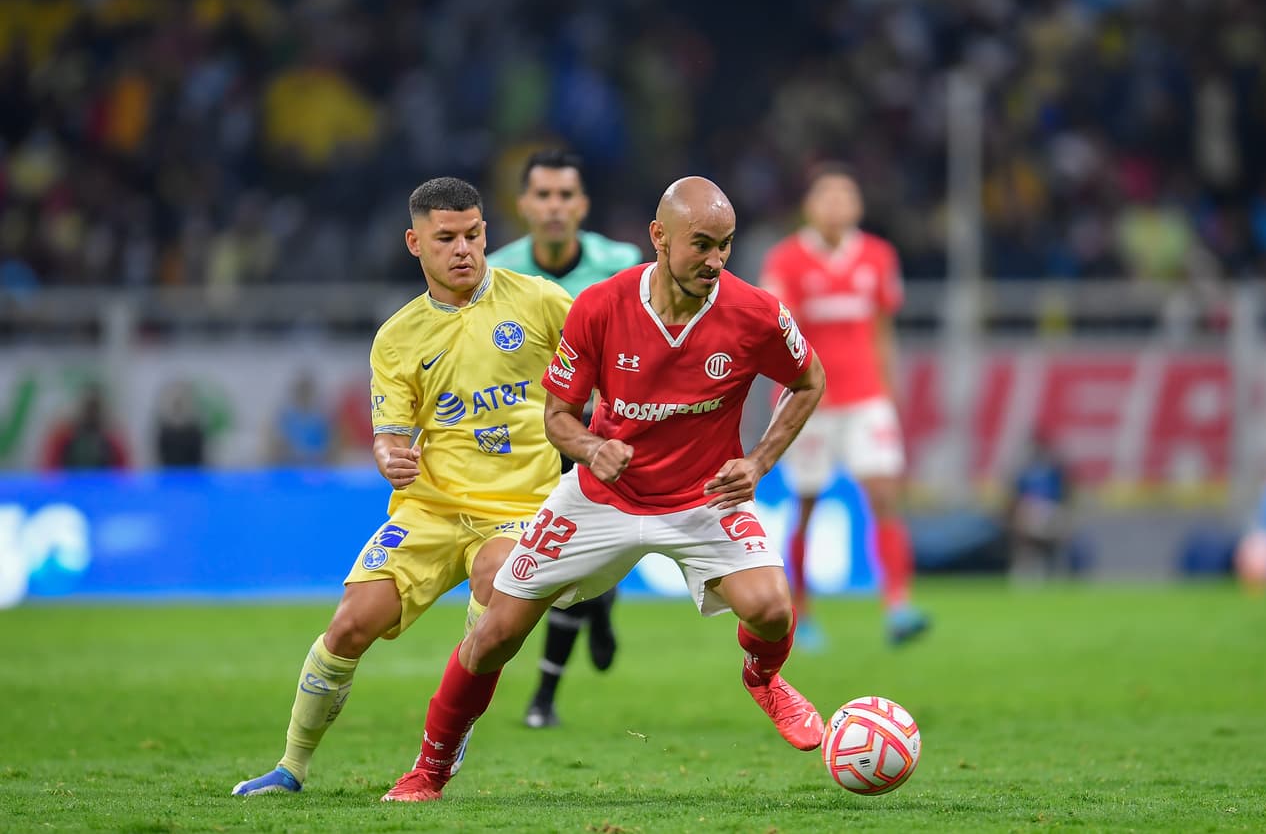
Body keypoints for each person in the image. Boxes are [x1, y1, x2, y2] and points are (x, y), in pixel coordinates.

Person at [380, 176, 828, 803]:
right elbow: (557, 417)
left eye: (725, 245)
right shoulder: (600, 306)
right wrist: (592, 448)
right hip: (600, 497)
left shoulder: (755, 313)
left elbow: (809, 381)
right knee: (494, 635)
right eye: (701, 244)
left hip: (702, 497)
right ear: (659, 236)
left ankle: (764, 678)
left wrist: (757, 464)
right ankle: (429, 770)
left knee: (773, 608)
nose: (716, 261)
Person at [231, 176, 573, 796]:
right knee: (349, 626)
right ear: (415, 243)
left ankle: (447, 738)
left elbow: (601, 370)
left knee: (494, 583)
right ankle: (291, 767)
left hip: (520, 508)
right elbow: (390, 435)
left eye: (473, 234)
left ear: (486, 233)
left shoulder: (542, 301)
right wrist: (390, 458)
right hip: (430, 510)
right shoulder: (397, 336)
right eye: (446, 238)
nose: (463, 248)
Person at [488, 148, 643, 729]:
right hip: (532, 434)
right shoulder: (497, 272)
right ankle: (600, 610)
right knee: (562, 561)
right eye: (543, 195)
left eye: (565, 196)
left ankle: (543, 699)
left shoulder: (621, 263)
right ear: (524, 205)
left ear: (582, 205)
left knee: (574, 555)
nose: (554, 206)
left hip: (600, 430)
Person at [759, 163, 928, 649]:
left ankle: (898, 605)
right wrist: (793, 387)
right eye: (826, 196)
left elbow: (882, 331)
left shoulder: (877, 256)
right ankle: (803, 613)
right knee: (806, 505)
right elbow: (775, 334)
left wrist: (890, 391)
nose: (836, 204)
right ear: (809, 206)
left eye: (845, 195)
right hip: (808, 401)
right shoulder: (786, 260)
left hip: (866, 397)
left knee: (885, 495)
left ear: (858, 205)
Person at [1005, 428, 1073, 581]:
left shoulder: (1054, 470)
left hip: (1049, 510)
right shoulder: (1025, 471)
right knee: (1027, 547)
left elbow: (1065, 492)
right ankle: (1025, 575)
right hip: (1031, 510)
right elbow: (1015, 496)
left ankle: (1052, 574)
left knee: (1052, 545)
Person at [41, 383, 130, 470]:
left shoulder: (111, 440)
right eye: (88, 407)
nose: (91, 413)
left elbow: (123, 472)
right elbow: (50, 470)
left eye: (95, 408)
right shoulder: (64, 437)